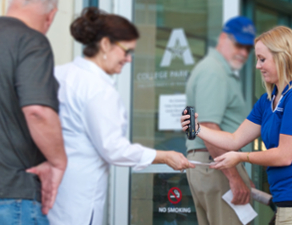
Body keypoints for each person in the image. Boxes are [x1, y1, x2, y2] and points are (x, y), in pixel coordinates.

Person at [47, 7, 194, 225]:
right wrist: (164, 156)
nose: (128, 59)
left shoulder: (59, 73)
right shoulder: (99, 89)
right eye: (126, 51)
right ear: (105, 44)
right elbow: (113, 148)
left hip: (53, 190)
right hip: (80, 197)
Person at [182, 26, 292, 225]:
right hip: (288, 201)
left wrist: (240, 157)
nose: (257, 66)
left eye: (262, 59)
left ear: (283, 57)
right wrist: (197, 129)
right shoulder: (267, 101)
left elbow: (283, 155)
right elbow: (234, 139)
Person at [0, 0, 67, 224]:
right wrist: (58, 162)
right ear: (51, 15)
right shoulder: (30, 41)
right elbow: (37, 111)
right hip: (12, 196)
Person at [184, 16, 256, 225]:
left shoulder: (216, 70)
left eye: (248, 48)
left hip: (213, 164)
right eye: (238, 45)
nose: (243, 53)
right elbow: (207, 127)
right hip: (215, 165)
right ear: (223, 38)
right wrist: (233, 177)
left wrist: (240, 175)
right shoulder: (214, 72)